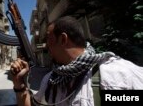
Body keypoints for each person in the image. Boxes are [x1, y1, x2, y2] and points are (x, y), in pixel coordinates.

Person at [10, 16, 143, 106]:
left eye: (48, 40)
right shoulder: (50, 80)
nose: (46, 46)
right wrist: (19, 83)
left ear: (63, 39)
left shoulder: (116, 75)